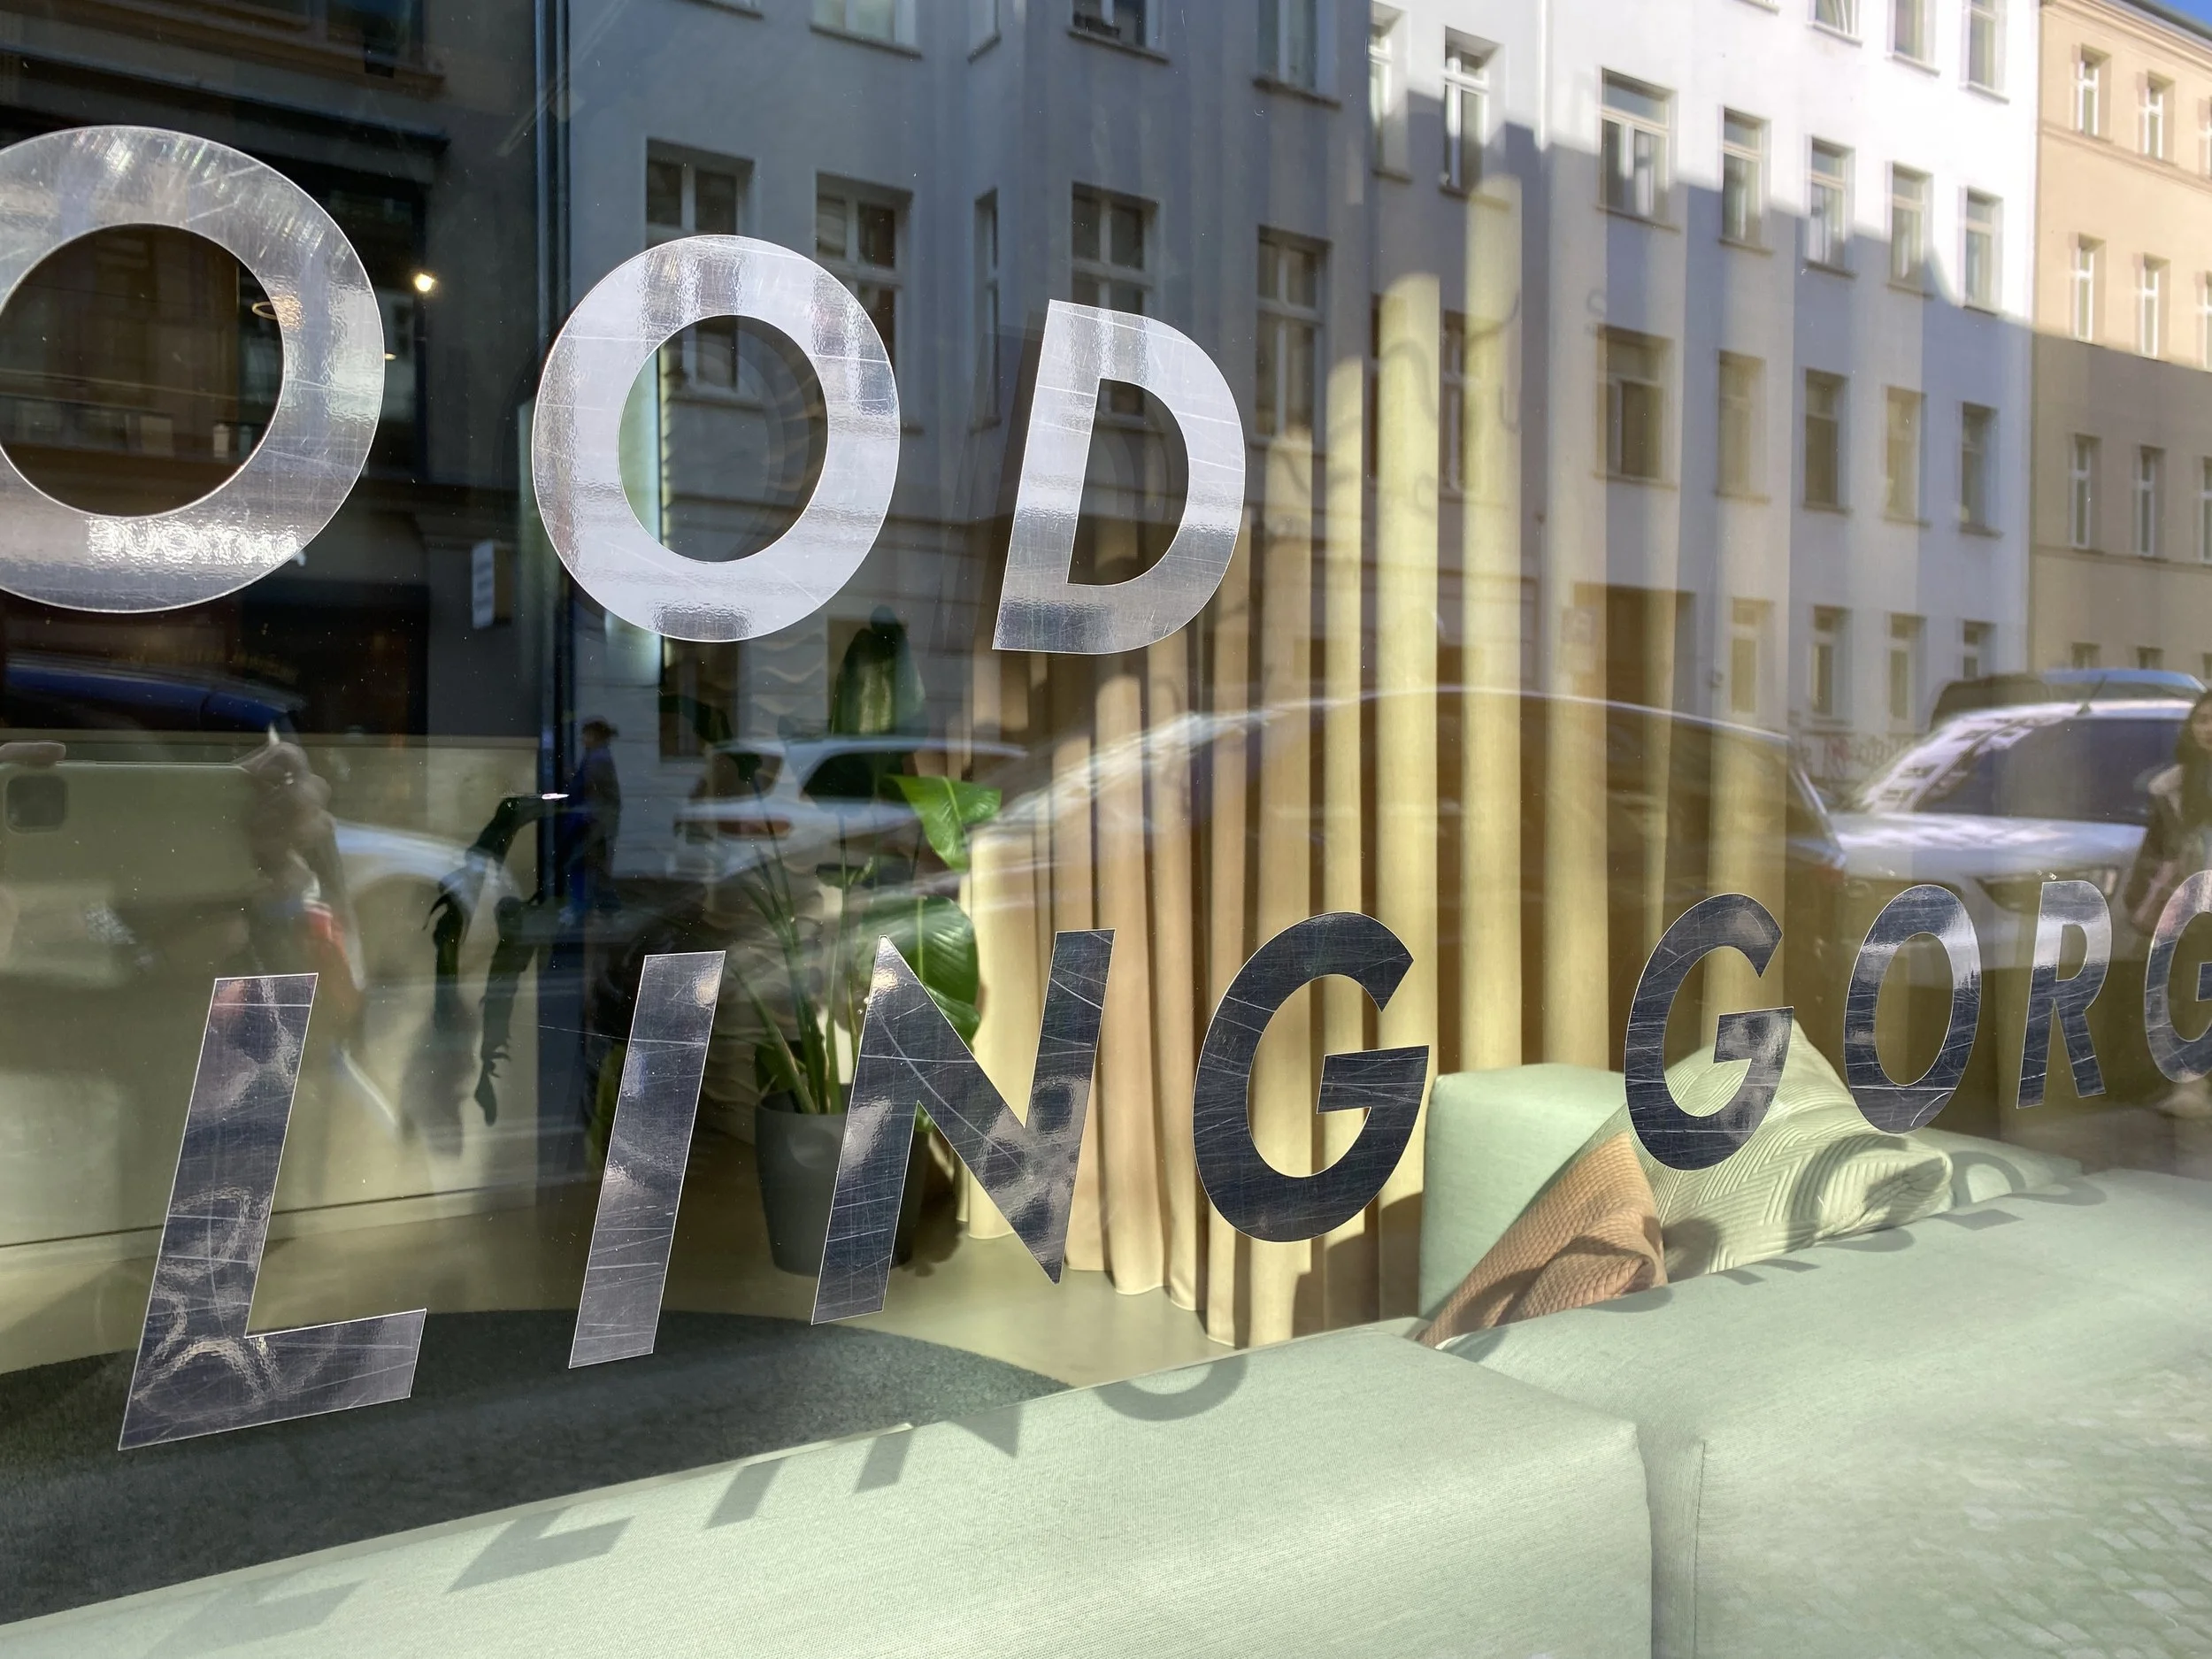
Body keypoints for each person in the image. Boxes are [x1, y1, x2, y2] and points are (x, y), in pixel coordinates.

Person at [2123, 687, 2212, 1118]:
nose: (2209, 729)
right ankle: (2193, 1089)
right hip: (2195, 905)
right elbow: (2154, 851)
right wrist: (2143, 899)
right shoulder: (2172, 786)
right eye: (2203, 720)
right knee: (2192, 991)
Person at [559, 716, 623, 918]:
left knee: (583, 863)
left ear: (595, 736)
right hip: (598, 820)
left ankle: (584, 908)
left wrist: (572, 780)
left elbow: (587, 788)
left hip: (594, 821)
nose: (583, 739)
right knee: (593, 866)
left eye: (586, 735)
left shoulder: (597, 759)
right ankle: (604, 909)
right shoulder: (597, 756)